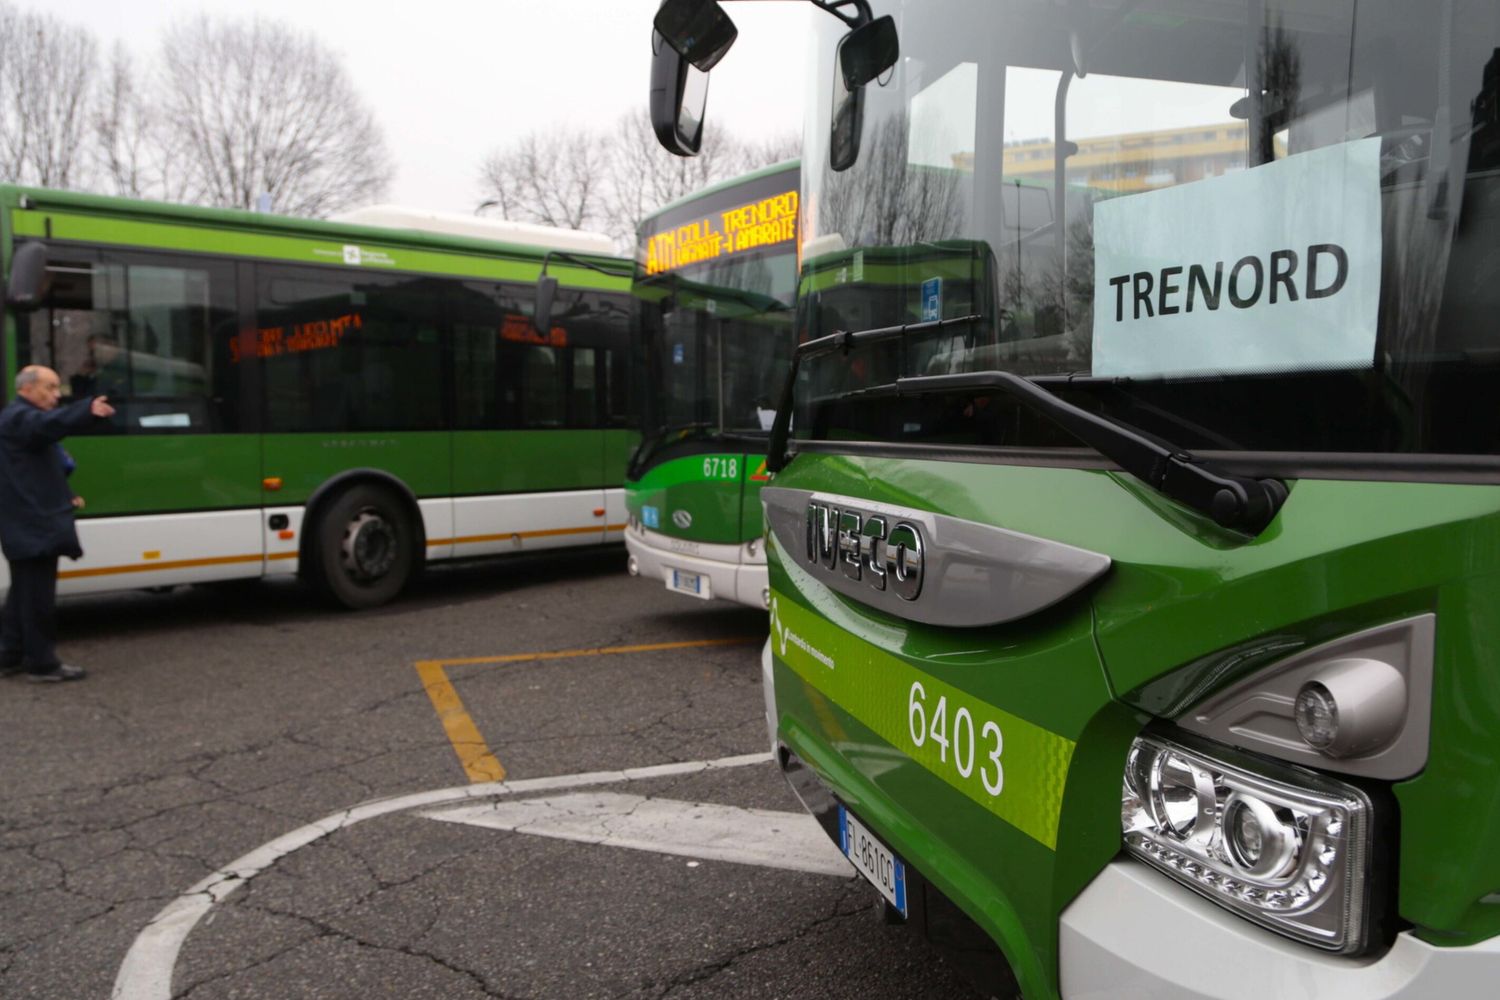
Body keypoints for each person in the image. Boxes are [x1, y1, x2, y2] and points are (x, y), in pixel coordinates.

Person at [0, 366, 115, 683]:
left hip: (25, 523)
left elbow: (34, 471)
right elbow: (48, 423)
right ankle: (42, 663)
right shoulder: (19, 417)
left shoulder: (15, 419)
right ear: (27, 388)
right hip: (33, 525)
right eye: (49, 388)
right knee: (37, 598)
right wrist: (85, 410)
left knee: (23, 593)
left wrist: (67, 494)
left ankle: (9, 655)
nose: (55, 395)